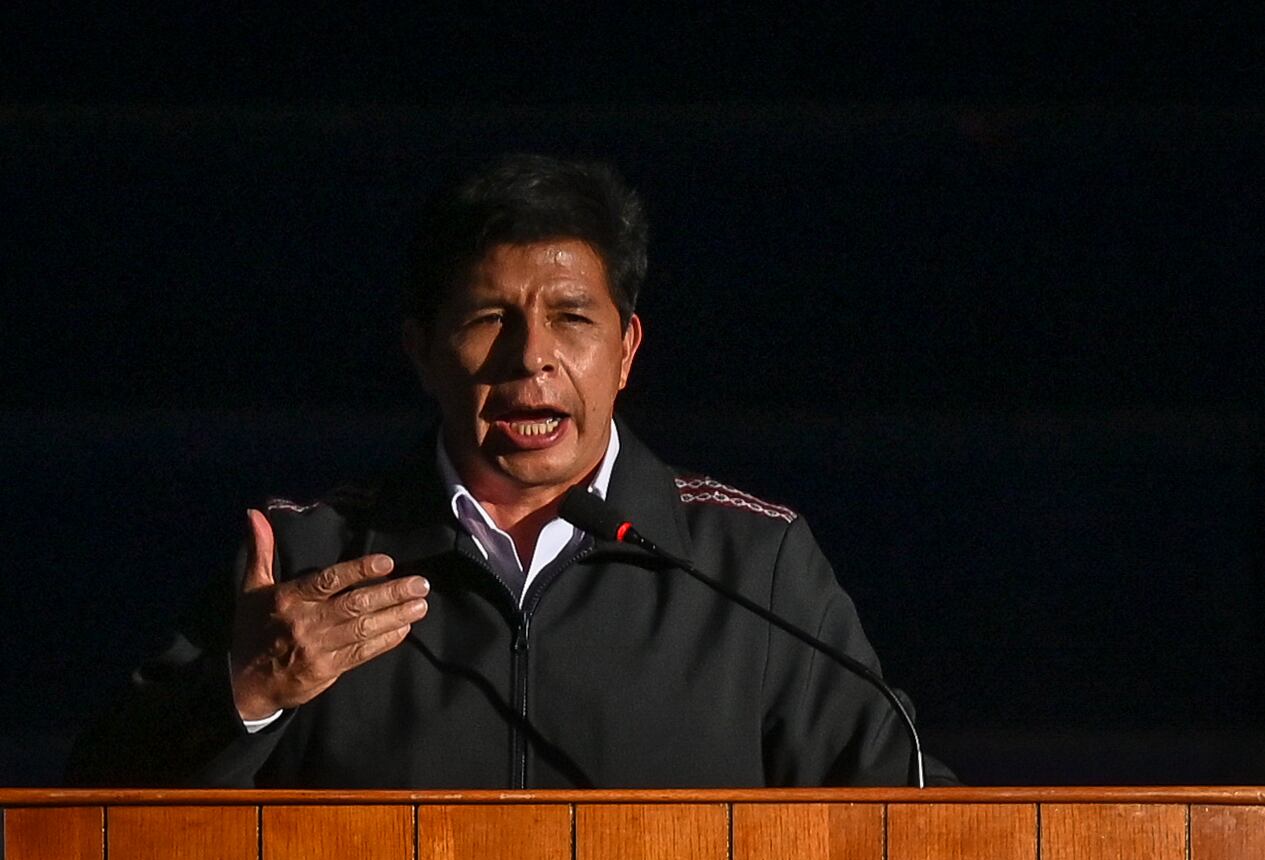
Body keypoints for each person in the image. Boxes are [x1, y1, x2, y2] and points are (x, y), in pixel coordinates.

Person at [68, 154, 951, 788]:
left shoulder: (749, 562)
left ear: (625, 350)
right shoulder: (305, 560)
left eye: (572, 318)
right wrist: (250, 688)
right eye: (489, 318)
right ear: (421, 351)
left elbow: (911, 822)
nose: (532, 360)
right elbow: (91, 817)